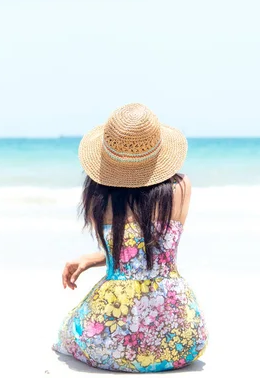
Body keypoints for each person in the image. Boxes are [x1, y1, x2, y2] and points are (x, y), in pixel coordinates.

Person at [52, 103, 208, 372]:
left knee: (66, 334)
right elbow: (153, 252)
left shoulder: (98, 198)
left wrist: (96, 257)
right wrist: (94, 259)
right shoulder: (182, 187)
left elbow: (129, 255)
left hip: (115, 339)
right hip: (180, 337)